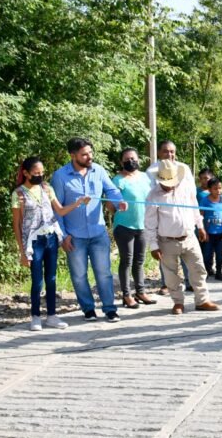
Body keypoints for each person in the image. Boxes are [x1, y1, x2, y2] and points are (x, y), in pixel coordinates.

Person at [51, 137, 127, 323]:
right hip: (74, 236)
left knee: (104, 273)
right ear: (73, 155)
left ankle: (110, 309)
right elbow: (57, 208)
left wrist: (119, 202)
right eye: (84, 154)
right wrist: (63, 235)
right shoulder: (60, 176)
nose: (89, 157)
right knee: (79, 275)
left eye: (90, 153)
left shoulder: (98, 170)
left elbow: (112, 190)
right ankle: (88, 309)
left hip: (98, 233)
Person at [12, 157, 89, 331]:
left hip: (51, 238)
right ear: (25, 173)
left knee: (51, 278)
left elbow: (60, 210)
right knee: (37, 280)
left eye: (42, 172)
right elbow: (17, 224)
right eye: (36, 173)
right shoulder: (18, 194)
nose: (40, 176)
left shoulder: (47, 189)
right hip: (33, 242)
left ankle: (52, 315)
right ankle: (35, 316)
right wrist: (22, 252)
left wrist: (77, 203)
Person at [144, 160, 220, 314]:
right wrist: (153, 246)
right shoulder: (153, 195)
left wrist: (201, 227)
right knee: (171, 275)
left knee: (198, 269)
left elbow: (195, 209)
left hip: (189, 237)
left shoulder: (186, 189)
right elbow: (150, 223)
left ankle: (202, 300)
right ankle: (178, 302)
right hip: (166, 241)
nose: (169, 185)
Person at [110, 148, 156, 309]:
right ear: (121, 162)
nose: (131, 161)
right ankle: (126, 294)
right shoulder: (117, 180)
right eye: (127, 159)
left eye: (134, 158)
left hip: (142, 225)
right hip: (124, 226)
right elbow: (110, 204)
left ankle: (140, 291)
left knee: (139, 261)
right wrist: (117, 206)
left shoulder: (145, 177)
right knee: (126, 260)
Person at [147, 140, 193, 295]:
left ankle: (190, 282)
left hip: (184, 218)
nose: (169, 154)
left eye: (172, 151)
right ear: (159, 153)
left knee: (189, 255)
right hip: (163, 218)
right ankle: (166, 284)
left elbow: (191, 193)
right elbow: (150, 196)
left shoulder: (183, 168)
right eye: (166, 151)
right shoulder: (152, 171)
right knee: (166, 257)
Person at [199, 177, 222, 282]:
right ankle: (206, 272)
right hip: (209, 233)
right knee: (207, 254)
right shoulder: (205, 201)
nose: (218, 191)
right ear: (209, 189)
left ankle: (219, 272)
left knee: (219, 255)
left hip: (220, 232)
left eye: (220, 188)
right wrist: (203, 231)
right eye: (215, 188)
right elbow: (201, 216)